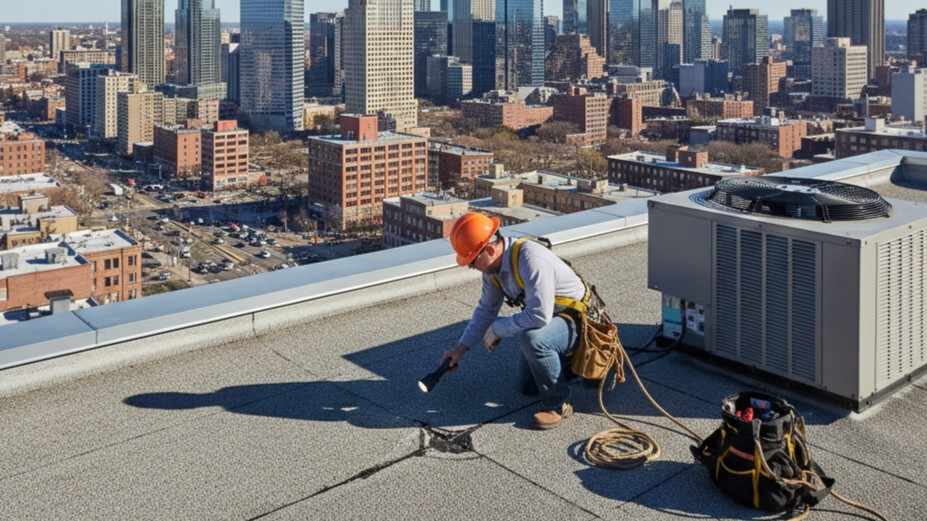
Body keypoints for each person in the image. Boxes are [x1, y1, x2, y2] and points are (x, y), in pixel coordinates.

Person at [441, 212, 587, 430]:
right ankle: (567, 364)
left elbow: (539, 315)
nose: (473, 268)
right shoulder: (493, 271)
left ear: (489, 250)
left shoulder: (530, 258)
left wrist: (498, 329)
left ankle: (557, 404)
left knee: (534, 340)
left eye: (472, 262)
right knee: (527, 388)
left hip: (575, 320)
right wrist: (460, 349)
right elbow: (486, 310)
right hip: (552, 319)